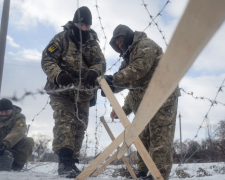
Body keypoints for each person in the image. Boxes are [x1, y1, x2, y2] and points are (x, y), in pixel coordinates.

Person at [102, 24, 180, 180]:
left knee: (160, 136)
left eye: (120, 41)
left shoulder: (145, 45)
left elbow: (139, 69)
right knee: (144, 137)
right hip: (147, 99)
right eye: (116, 45)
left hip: (163, 95)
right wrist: (109, 86)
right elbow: (123, 78)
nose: (119, 45)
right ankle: (143, 172)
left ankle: (159, 175)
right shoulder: (128, 57)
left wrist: (113, 80)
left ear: (126, 35)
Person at [41, 6, 106, 178]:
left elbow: (101, 63)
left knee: (79, 126)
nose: (84, 28)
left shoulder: (92, 42)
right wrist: (59, 74)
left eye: (87, 26)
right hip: (61, 91)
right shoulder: (61, 38)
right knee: (65, 122)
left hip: (83, 94)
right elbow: (47, 59)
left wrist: (94, 71)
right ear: (74, 23)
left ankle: (73, 161)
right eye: (81, 24)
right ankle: (65, 163)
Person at [0, 98, 34, 171]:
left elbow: (18, 131)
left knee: (28, 141)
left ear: (12, 109)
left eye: (6, 112)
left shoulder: (19, 117)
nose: (3, 114)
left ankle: (16, 168)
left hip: (13, 144)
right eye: (1, 112)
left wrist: (6, 143)